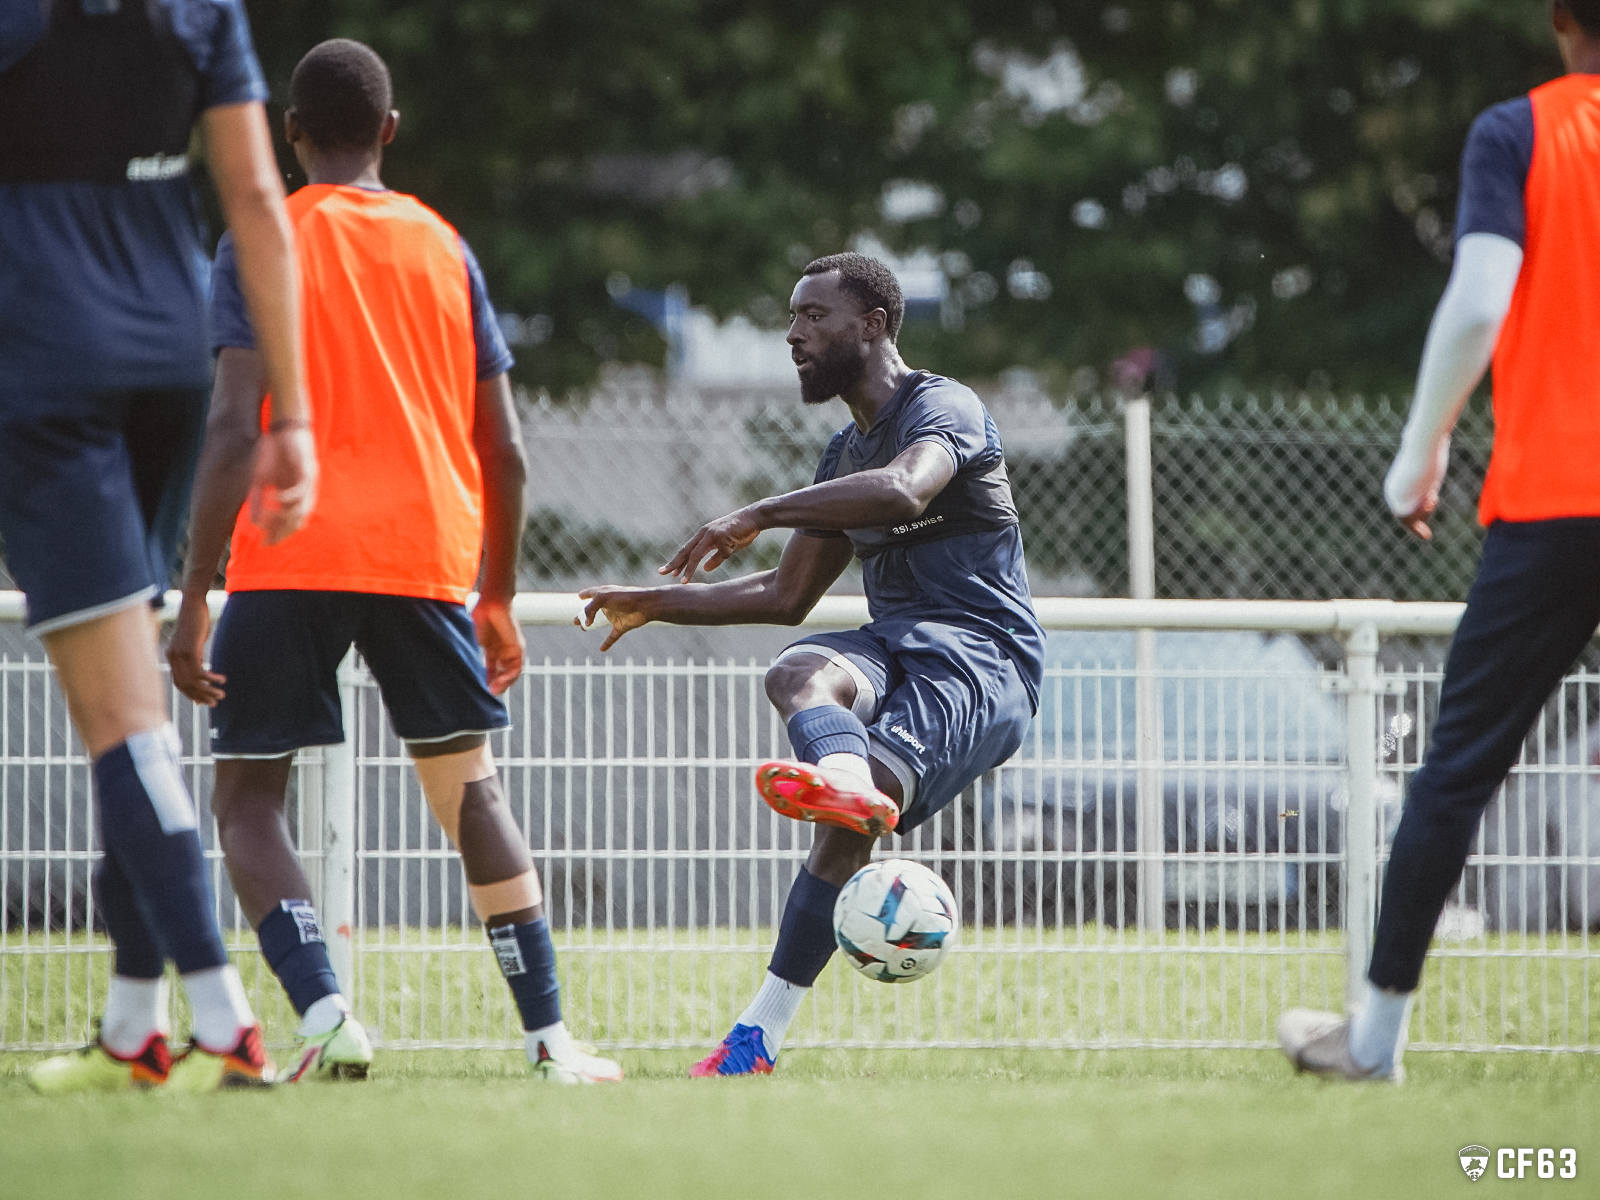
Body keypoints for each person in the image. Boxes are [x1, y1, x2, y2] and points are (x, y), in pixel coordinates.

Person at [167, 38, 622, 1085]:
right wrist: (497, 593)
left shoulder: (260, 233)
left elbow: (235, 426)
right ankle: (551, 1038)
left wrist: (196, 593)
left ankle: (325, 1012)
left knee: (246, 802)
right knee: (472, 796)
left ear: (289, 133)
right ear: (389, 131)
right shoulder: (443, 245)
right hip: (423, 554)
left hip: (287, 549)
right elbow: (503, 446)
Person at [579, 252, 1044, 1076]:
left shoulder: (945, 406)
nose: (794, 334)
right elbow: (788, 593)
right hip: (900, 644)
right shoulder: (841, 452)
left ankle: (759, 1029)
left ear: (873, 326)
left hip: (980, 660)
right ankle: (844, 782)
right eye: (791, 317)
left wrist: (754, 511)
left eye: (813, 316)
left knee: (839, 828)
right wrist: (655, 602)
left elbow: (905, 491)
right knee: (797, 671)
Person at [1277, 0, 1600, 1083]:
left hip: (1554, 503)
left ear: (1559, 20)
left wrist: (1419, 454)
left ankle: (1372, 1044)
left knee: (1457, 773)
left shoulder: (1518, 131)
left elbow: (1476, 303)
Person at [5, 0, 317, 1093]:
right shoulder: (195, 10)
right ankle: (134, 1024)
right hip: (171, 355)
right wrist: (292, 420)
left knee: (120, 724)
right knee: (127, 705)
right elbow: (256, 204)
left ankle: (223, 1014)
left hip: (43, 360)